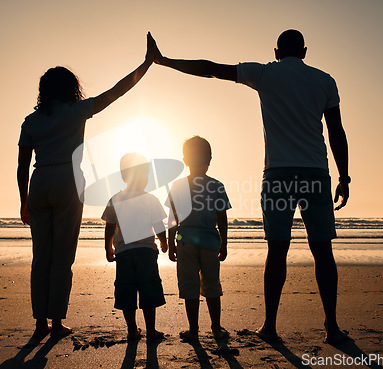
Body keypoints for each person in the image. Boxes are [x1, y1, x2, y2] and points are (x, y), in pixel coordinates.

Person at [149, 30, 350, 344]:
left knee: (277, 249)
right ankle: (332, 327)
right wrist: (344, 177)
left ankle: (270, 325)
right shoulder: (325, 80)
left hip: (279, 176)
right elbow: (336, 131)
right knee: (322, 250)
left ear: (276, 51)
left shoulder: (265, 72)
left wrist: (164, 61)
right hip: (315, 174)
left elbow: (211, 68)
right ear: (305, 52)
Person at [17, 33, 156, 338]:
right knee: (63, 256)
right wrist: (146, 64)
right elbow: (116, 92)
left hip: (39, 181)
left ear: (43, 91)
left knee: (41, 256)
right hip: (67, 181)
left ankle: (40, 322)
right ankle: (55, 323)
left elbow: (21, 165)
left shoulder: (31, 121)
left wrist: (23, 199)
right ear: (71, 88)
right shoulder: (76, 111)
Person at [166, 136, 231, 341]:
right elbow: (222, 218)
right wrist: (224, 244)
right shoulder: (216, 186)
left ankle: (193, 330)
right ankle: (216, 328)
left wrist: (170, 243)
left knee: (189, 286)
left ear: (185, 160)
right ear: (209, 159)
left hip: (185, 241)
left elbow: (173, 218)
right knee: (212, 285)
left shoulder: (178, 186)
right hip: (210, 241)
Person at [102, 153, 168, 341]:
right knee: (148, 291)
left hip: (124, 253)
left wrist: (108, 248)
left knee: (126, 291)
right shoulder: (151, 199)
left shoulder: (116, 199)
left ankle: (132, 329)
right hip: (146, 251)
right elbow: (159, 225)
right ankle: (151, 330)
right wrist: (164, 242)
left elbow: (110, 226)